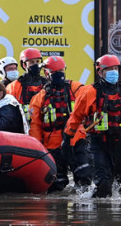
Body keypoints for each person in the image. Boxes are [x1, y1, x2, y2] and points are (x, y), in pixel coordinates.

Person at [64, 54, 121, 198]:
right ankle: (99, 212)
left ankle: (119, 217)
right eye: (109, 69)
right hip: (98, 143)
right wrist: (68, 137)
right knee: (104, 183)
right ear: (100, 72)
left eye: (115, 68)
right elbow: (76, 116)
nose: (113, 72)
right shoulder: (89, 92)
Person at [28, 56, 92, 192]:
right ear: (47, 73)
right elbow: (36, 125)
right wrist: (37, 147)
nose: (59, 74)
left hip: (76, 140)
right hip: (53, 145)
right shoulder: (39, 98)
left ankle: (83, 209)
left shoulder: (76, 88)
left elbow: (90, 106)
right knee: (56, 183)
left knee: (84, 177)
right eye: (55, 71)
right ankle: (58, 209)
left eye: (61, 70)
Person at [6, 48, 48, 117]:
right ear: (24, 65)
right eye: (31, 62)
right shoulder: (13, 87)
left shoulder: (47, 84)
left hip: (43, 125)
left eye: (37, 61)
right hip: (21, 126)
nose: (36, 65)